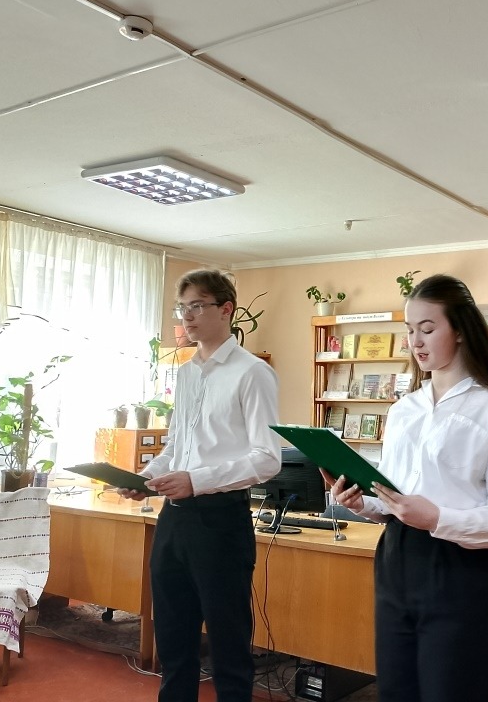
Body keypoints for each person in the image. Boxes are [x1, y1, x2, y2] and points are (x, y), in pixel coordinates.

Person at [328, 274, 488, 702]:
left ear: (460, 330)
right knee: (396, 692)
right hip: (395, 565)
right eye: (410, 330)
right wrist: (363, 503)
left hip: (459, 575)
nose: (415, 342)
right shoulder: (404, 409)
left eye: (427, 329)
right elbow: (396, 497)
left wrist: (438, 518)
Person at [118, 269, 281, 702]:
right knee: (173, 639)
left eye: (197, 306)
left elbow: (268, 458)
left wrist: (197, 480)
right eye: (182, 308)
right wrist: (146, 479)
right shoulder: (188, 373)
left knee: (228, 643)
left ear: (226, 309)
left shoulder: (253, 373)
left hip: (221, 521)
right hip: (175, 520)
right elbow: (177, 447)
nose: (187, 317)